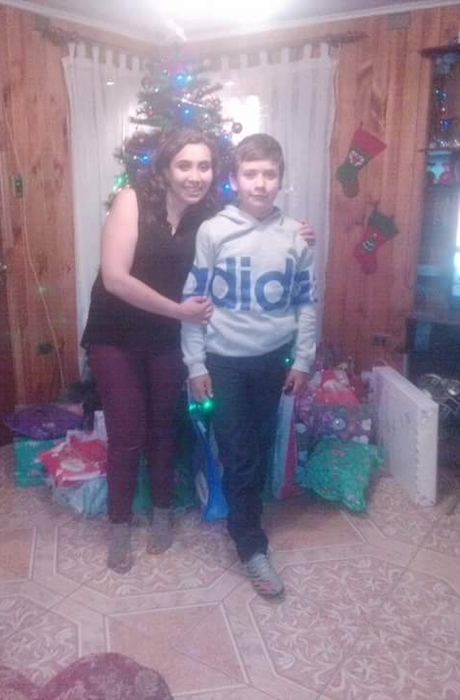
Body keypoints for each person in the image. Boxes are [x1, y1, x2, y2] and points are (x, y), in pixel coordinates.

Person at [181, 133, 317, 597]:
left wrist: (302, 358)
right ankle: (251, 544)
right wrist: (195, 364)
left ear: (281, 179)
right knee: (238, 450)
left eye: (269, 174)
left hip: (272, 360)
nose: (260, 183)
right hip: (224, 362)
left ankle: (246, 510)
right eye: (251, 174)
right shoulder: (213, 232)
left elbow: (306, 303)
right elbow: (195, 302)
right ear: (235, 179)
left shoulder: (296, 236)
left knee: (258, 443)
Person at [82, 128, 220, 573]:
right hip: (115, 336)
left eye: (204, 166)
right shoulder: (132, 200)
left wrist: (295, 232)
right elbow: (115, 278)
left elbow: (253, 230)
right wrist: (178, 311)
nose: (195, 176)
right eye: (185, 165)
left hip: (166, 339)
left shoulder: (210, 217)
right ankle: (120, 525)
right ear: (165, 168)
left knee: (163, 428)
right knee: (127, 433)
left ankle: (162, 513)